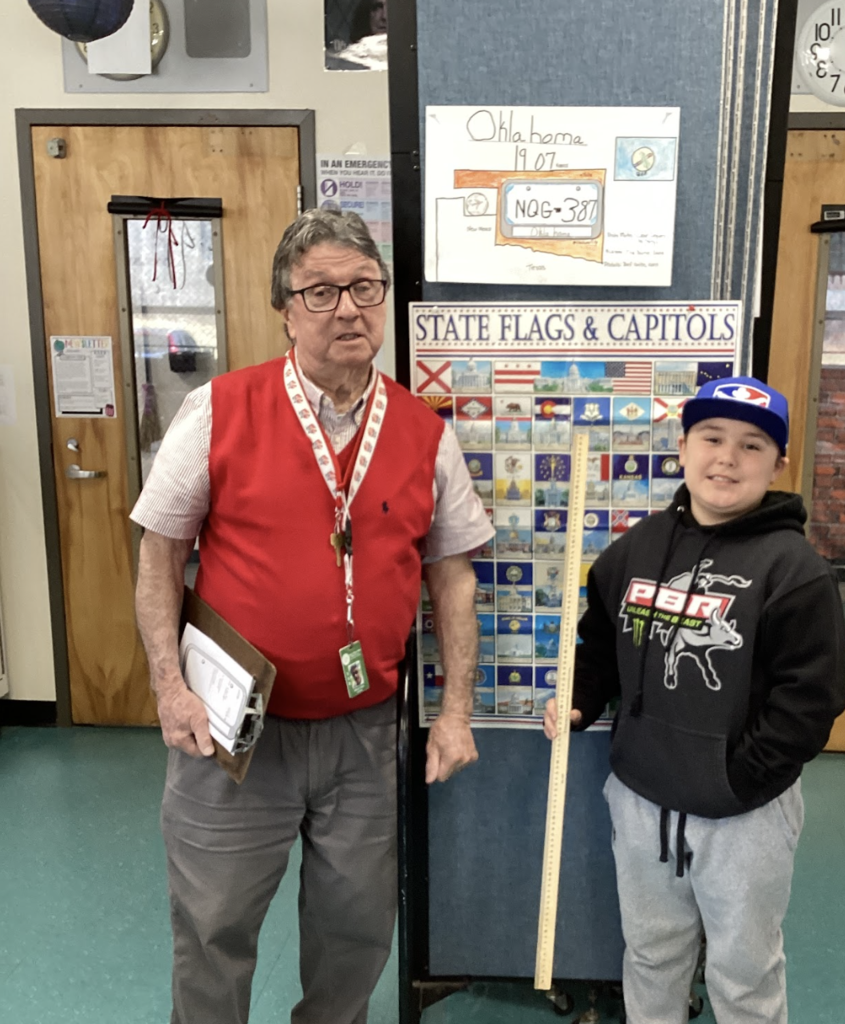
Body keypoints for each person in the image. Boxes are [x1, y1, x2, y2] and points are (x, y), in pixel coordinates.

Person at [132, 208, 493, 1024]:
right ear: (286, 308)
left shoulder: (422, 431)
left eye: (365, 288)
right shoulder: (220, 411)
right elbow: (158, 554)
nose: (348, 309)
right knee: (213, 926)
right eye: (321, 291)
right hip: (231, 732)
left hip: (365, 735)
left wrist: (455, 712)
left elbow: (453, 577)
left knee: (355, 936)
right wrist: (168, 688)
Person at [544, 376, 845, 1024]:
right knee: (653, 955)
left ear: (778, 462)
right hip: (640, 799)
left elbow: (812, 700)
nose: (727, 459)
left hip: (743, 818)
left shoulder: (795, 571)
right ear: (683, 446)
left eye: (750, 446)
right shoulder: (637, 550)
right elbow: (599, 642)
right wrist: (579, 698)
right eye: (711, 438)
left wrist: (738, 777)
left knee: (744, 972)